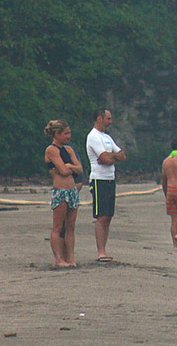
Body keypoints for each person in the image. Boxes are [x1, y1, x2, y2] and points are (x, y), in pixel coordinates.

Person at [86, 108, 126, 263]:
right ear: (99, 119)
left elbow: (122, 155)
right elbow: (106, 159)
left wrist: (111, 156)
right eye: (108, 119)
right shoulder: (93, 137)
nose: (110, 122)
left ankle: (104, 250)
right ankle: (100, 252)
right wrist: (109, 157)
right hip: (98, 180)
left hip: (110, 179)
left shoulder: (107, 137)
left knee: (108, 216)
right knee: (101, 216)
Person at [44, 120, 84, 267]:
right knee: (58, 226)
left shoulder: (69, 150)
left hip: (72, 190)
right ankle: (59, 259)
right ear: (57, 134)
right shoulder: (51, 150)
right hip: (60, 191)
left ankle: (71, 258)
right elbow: (63, 170)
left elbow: (79, 169)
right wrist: (70, 167)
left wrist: (70, 166)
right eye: (66, 133)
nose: (69, 136)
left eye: (69, 133)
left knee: (71, 226)